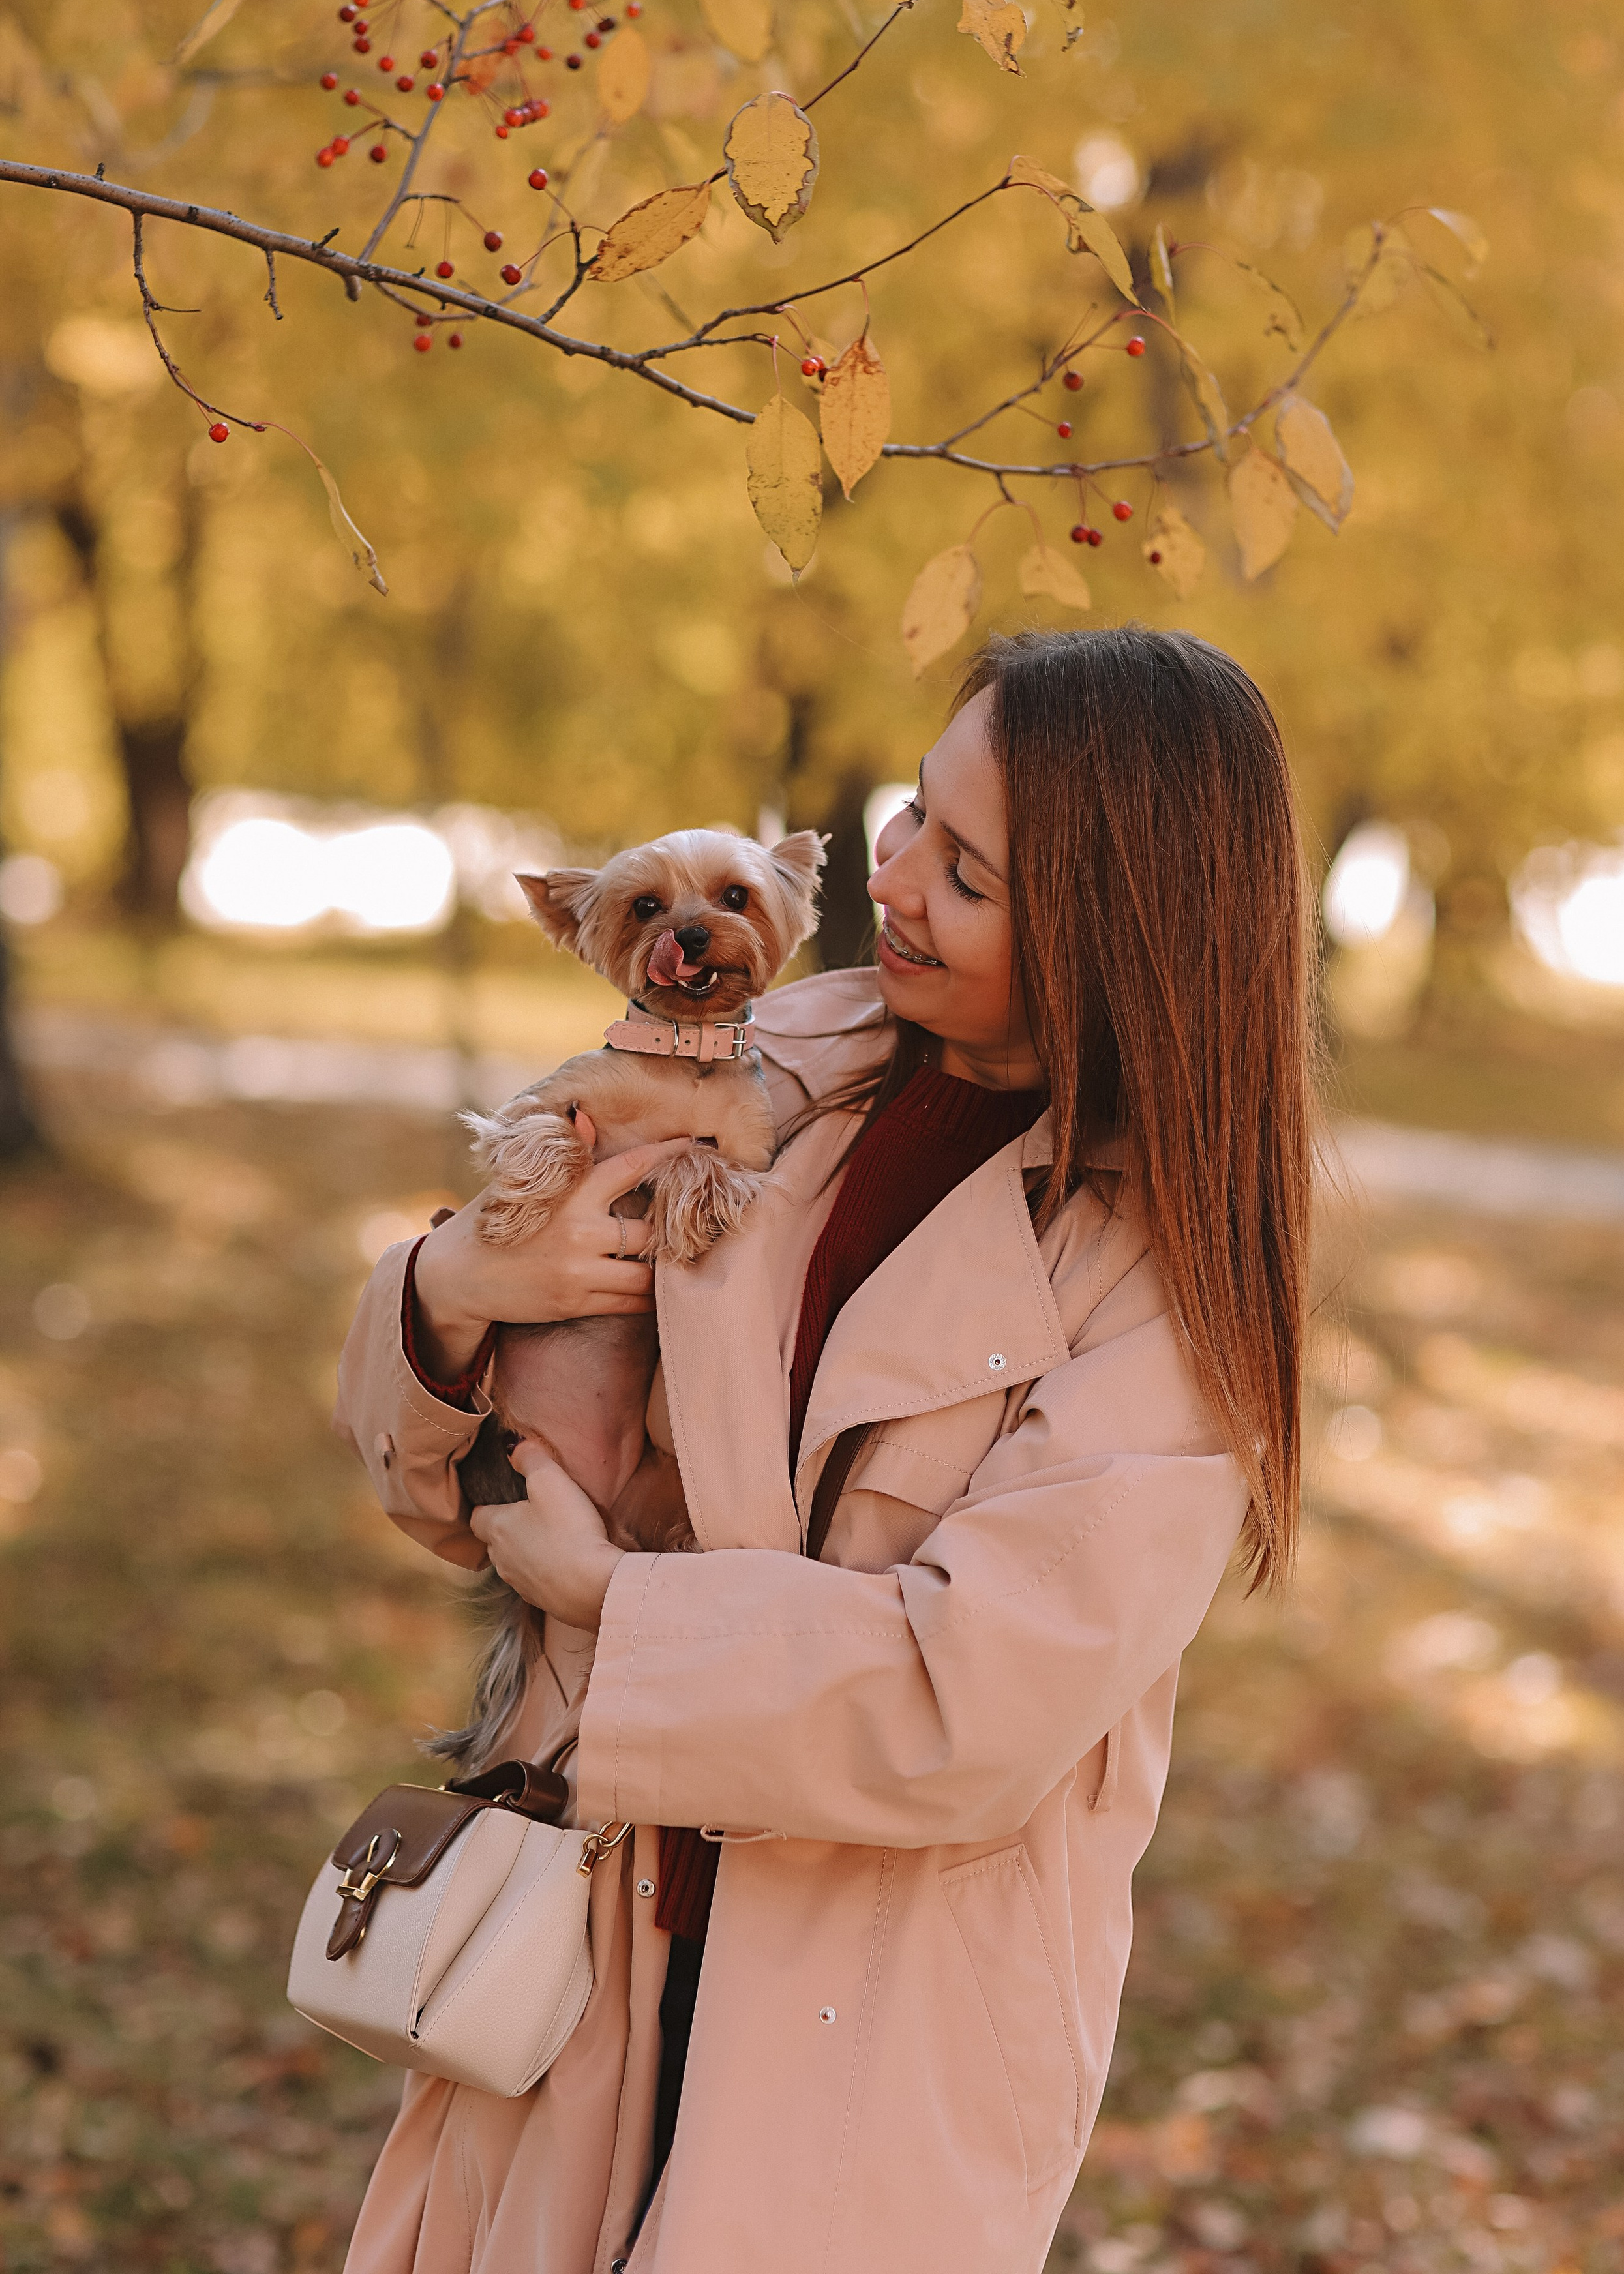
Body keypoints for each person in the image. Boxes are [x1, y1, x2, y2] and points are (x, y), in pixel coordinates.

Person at [333, 623, 1317, 2274]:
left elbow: (967, 1698)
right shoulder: (761, 1065)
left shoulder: (1164, 1283)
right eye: (913, 812)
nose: (897, 880)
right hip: (573, 1935)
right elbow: (453, 1484)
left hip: (873, 2014)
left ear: (1113, 935)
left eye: (970, 875)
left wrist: (609, 1602)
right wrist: (446, 1298)